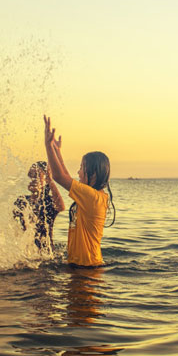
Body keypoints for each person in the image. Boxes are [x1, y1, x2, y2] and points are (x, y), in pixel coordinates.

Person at [43, 115, 115, 268]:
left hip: (87, 270)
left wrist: (48, 146)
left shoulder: (92, 197)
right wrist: (57, 151)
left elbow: (59, 176)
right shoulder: (92, 196)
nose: (79, 172)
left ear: (93, 174)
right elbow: (66, 176)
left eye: (82, 168)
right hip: (82, 267)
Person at [13, 161, 65, 252]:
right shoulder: (22, 201)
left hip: (45, 252)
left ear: (46, 180)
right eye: (30, 175)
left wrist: (50, 180)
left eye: (36, 175)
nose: (32, 179)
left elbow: (61, 207)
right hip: (26, 251)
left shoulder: (47, 202)